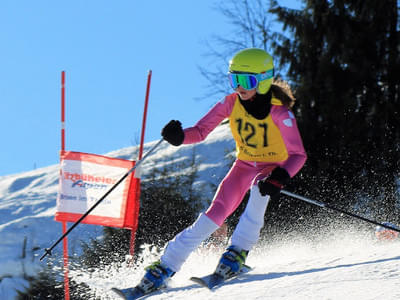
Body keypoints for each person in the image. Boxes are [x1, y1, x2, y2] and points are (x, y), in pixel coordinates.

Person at [136, 48, 307, 293]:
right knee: (214, 215)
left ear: (263, 80)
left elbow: (298, 154)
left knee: (260, 190)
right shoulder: (230, 103)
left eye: (245, 81)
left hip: (271, 168)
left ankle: (237, 252)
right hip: (244, 165)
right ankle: (165, 265)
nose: (239, 87)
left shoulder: (280, 112)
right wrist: (180, 136)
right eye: (234, 80)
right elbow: (201, 131)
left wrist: (281, 176)